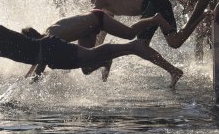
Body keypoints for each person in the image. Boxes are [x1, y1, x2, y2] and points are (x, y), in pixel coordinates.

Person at [0, 12, 169, 85]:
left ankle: (132, 46)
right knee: (87, 62)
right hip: (51, 56)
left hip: (51, 49)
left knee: (92, 55)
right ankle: (110, 56)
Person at [22, 10, 182, 86]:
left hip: (97, 18)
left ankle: (154, 18)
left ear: (33, 40)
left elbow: (39, 65)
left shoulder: (50, 37)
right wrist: (25, 77)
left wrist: (27, 86)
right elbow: (38, 61)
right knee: (86, 68)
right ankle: (106, 60)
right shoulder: (46, 36)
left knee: (129, 34)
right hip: (87, 28)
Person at [85, 0, 179, 46]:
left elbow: (91, 17)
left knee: (141, 44)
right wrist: (96, 47)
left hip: (152, 3)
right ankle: (193, 21)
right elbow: (104, 29)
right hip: (160, 1)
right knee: (174, 42)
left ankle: (156, 19)